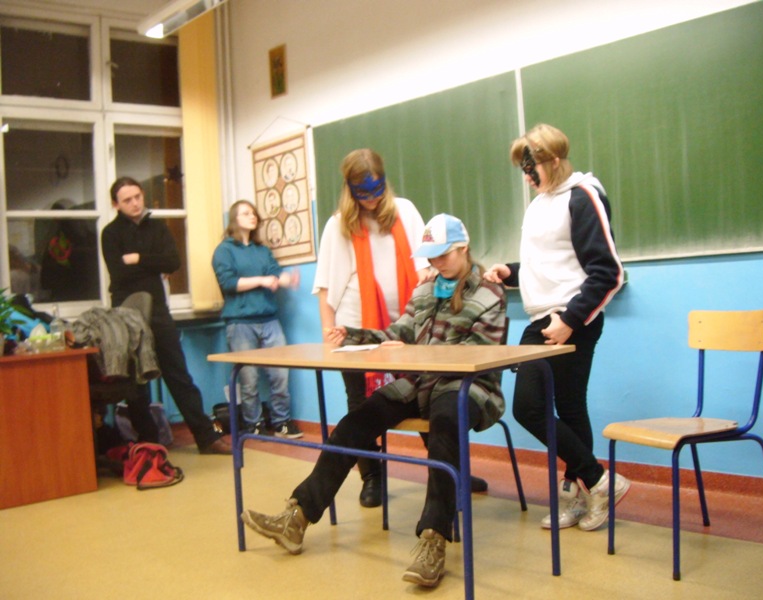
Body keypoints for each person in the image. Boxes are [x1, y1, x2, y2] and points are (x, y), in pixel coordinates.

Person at [242, 213, 507, 588]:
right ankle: (297, 517)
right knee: (356, 422)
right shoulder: (425, 290)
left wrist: (413, 353)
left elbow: (478, 355)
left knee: (446, 423)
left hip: (467, 387)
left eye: (444, 254)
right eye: (431, 256)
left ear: (463, 248)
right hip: (419, 384)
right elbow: (397, 333)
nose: (436, 263)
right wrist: (352, 335)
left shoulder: (491, 294)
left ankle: (434, 539)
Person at [484, 123, 629, 532]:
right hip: (546, 317)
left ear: (554, 159)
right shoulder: (540, 204)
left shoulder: (583, 196)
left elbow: (608, 273)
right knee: (570, 408)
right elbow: (549, 265)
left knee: (528, 408)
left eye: (531, 168)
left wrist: (570, 320)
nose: (527, 177)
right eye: (523, 170)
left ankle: (598, 482)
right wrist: (511, 272)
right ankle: (583, 494)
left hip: (570, 319)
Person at [311, 148, 431, 508]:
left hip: (405, 329)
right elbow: (326, 287)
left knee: (425, 397)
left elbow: (425, 265)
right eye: (363, 193)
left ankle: (447, 471)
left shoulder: (405, 211)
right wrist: (328, 335)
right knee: (360, 404)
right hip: (357, 332)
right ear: (349, 190)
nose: (371, 199)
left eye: (377, 190)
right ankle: (372, 476)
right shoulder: (339, 225)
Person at [102, 176, 232, 455]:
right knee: (136, 382)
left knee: (178, 374)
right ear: (116, 204)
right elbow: (119, 273)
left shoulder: (158, 227)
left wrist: (138, 258)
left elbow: (172, 262)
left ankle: (206, 438)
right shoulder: (110, 234)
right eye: (127, 200)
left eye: (138, 197)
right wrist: (153, 263)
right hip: (127, 314)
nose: (135, 203)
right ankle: (150, 442)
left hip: (158, 311)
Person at [212, 200, 303, 439]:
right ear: (234, 219)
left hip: (270, 320)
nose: (252, 216)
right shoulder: (224, 250)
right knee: (249, 378)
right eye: (246, 213)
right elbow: (228, 283)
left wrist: (287, 280)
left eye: (253, 213)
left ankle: (282, 422)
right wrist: (261, 281)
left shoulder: (262, 251)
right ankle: (254, 425)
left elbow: (274, 274)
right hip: (240, 323)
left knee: (280, 374)